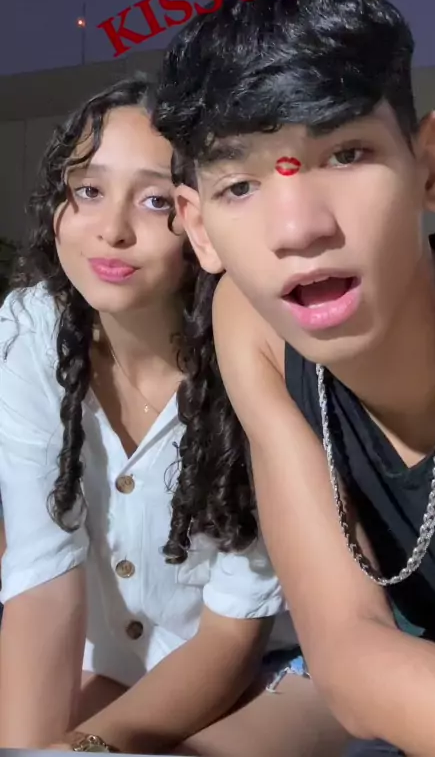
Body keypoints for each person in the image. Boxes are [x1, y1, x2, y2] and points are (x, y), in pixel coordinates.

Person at [153, 0, 435, 757]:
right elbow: (348, 652)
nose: (297, 230)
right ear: (198, 229)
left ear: (433, 164)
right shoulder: (252, 324)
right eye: (240, 185)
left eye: (347, 153)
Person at [0, 75, 348, 756]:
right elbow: (44, 579)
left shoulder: (259, 355)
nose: (112, 230)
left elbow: (231, 637)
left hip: (263, 674)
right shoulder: (30, 330)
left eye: (154, 199)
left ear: (200, 218)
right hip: (106, 664)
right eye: (88, 191)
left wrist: (84, 748)